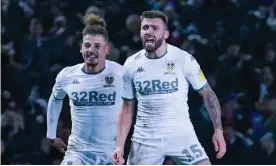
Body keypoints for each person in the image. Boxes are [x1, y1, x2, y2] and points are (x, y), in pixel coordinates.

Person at [112, 10, 226, 165]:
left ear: (166, 34)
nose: (149, 32)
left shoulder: (183, 59)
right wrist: (119, 146)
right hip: (145, 139)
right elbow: (126, 108)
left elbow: (208, 94)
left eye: (154, 28)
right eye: (145, 28)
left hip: (181, 136)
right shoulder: (131, 64)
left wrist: (218, 130)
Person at [46, 14, 123, 165]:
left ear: (107, 49)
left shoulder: (121, 73)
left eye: (97, 46)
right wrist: (51, 135)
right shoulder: (67, 75)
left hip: (110, 154)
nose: (91, 50)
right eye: (87, 45)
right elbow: (55, 100)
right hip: (78, 153)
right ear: (81, 48)